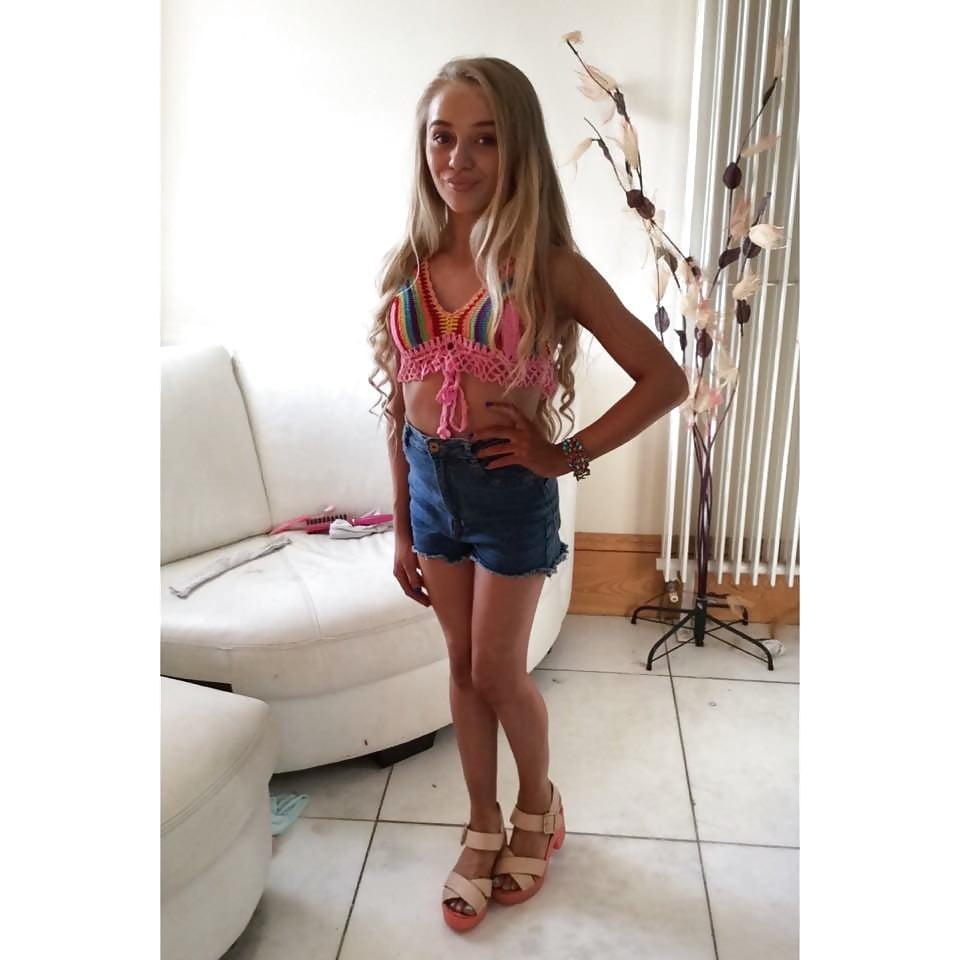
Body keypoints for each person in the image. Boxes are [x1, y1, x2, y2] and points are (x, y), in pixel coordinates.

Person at [367, 56, 688, 932]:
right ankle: (482, 824)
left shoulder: (550, 267)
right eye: (443, 137)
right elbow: (400, 403)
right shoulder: (411, 263)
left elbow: (665, 380)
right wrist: (401, 527)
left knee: (500, 671)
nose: (459, 159)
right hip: (430, 491)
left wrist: (561, 455)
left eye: (484, 139)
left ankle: (538, 810)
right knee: (461, 667)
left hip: (508, 492)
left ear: (519, 151)